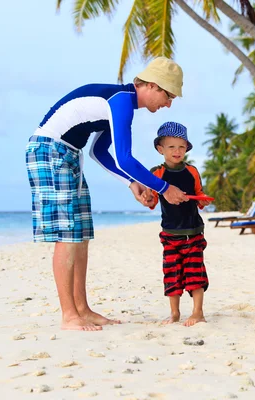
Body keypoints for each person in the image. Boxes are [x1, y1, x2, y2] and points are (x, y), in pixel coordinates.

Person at [25, 57, 189, 331]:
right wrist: (164, 188)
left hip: (69, 154)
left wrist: (131, 184)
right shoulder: (121, 101)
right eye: (168, 95)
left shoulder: (122, 104)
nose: (169, 104)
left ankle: (82, 309)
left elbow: (99, 152)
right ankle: (69, 315)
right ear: (150, 85)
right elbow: (124, 159)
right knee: (68, 234)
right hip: (49, 150)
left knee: (81, 234)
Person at [143, 122, 211, 327]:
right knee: (172, 274)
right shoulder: (156, 173)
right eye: (171, 147)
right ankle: (174, 313)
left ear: (187, 149)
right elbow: (152, 201)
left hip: (193, 232)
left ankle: (198, 312)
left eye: (181, 146)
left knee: (194, 272)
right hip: (170, 234)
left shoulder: (192, 171)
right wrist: (147, 197)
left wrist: (203, 201)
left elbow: (199, 198)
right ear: (160, 149)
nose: (177, 151)